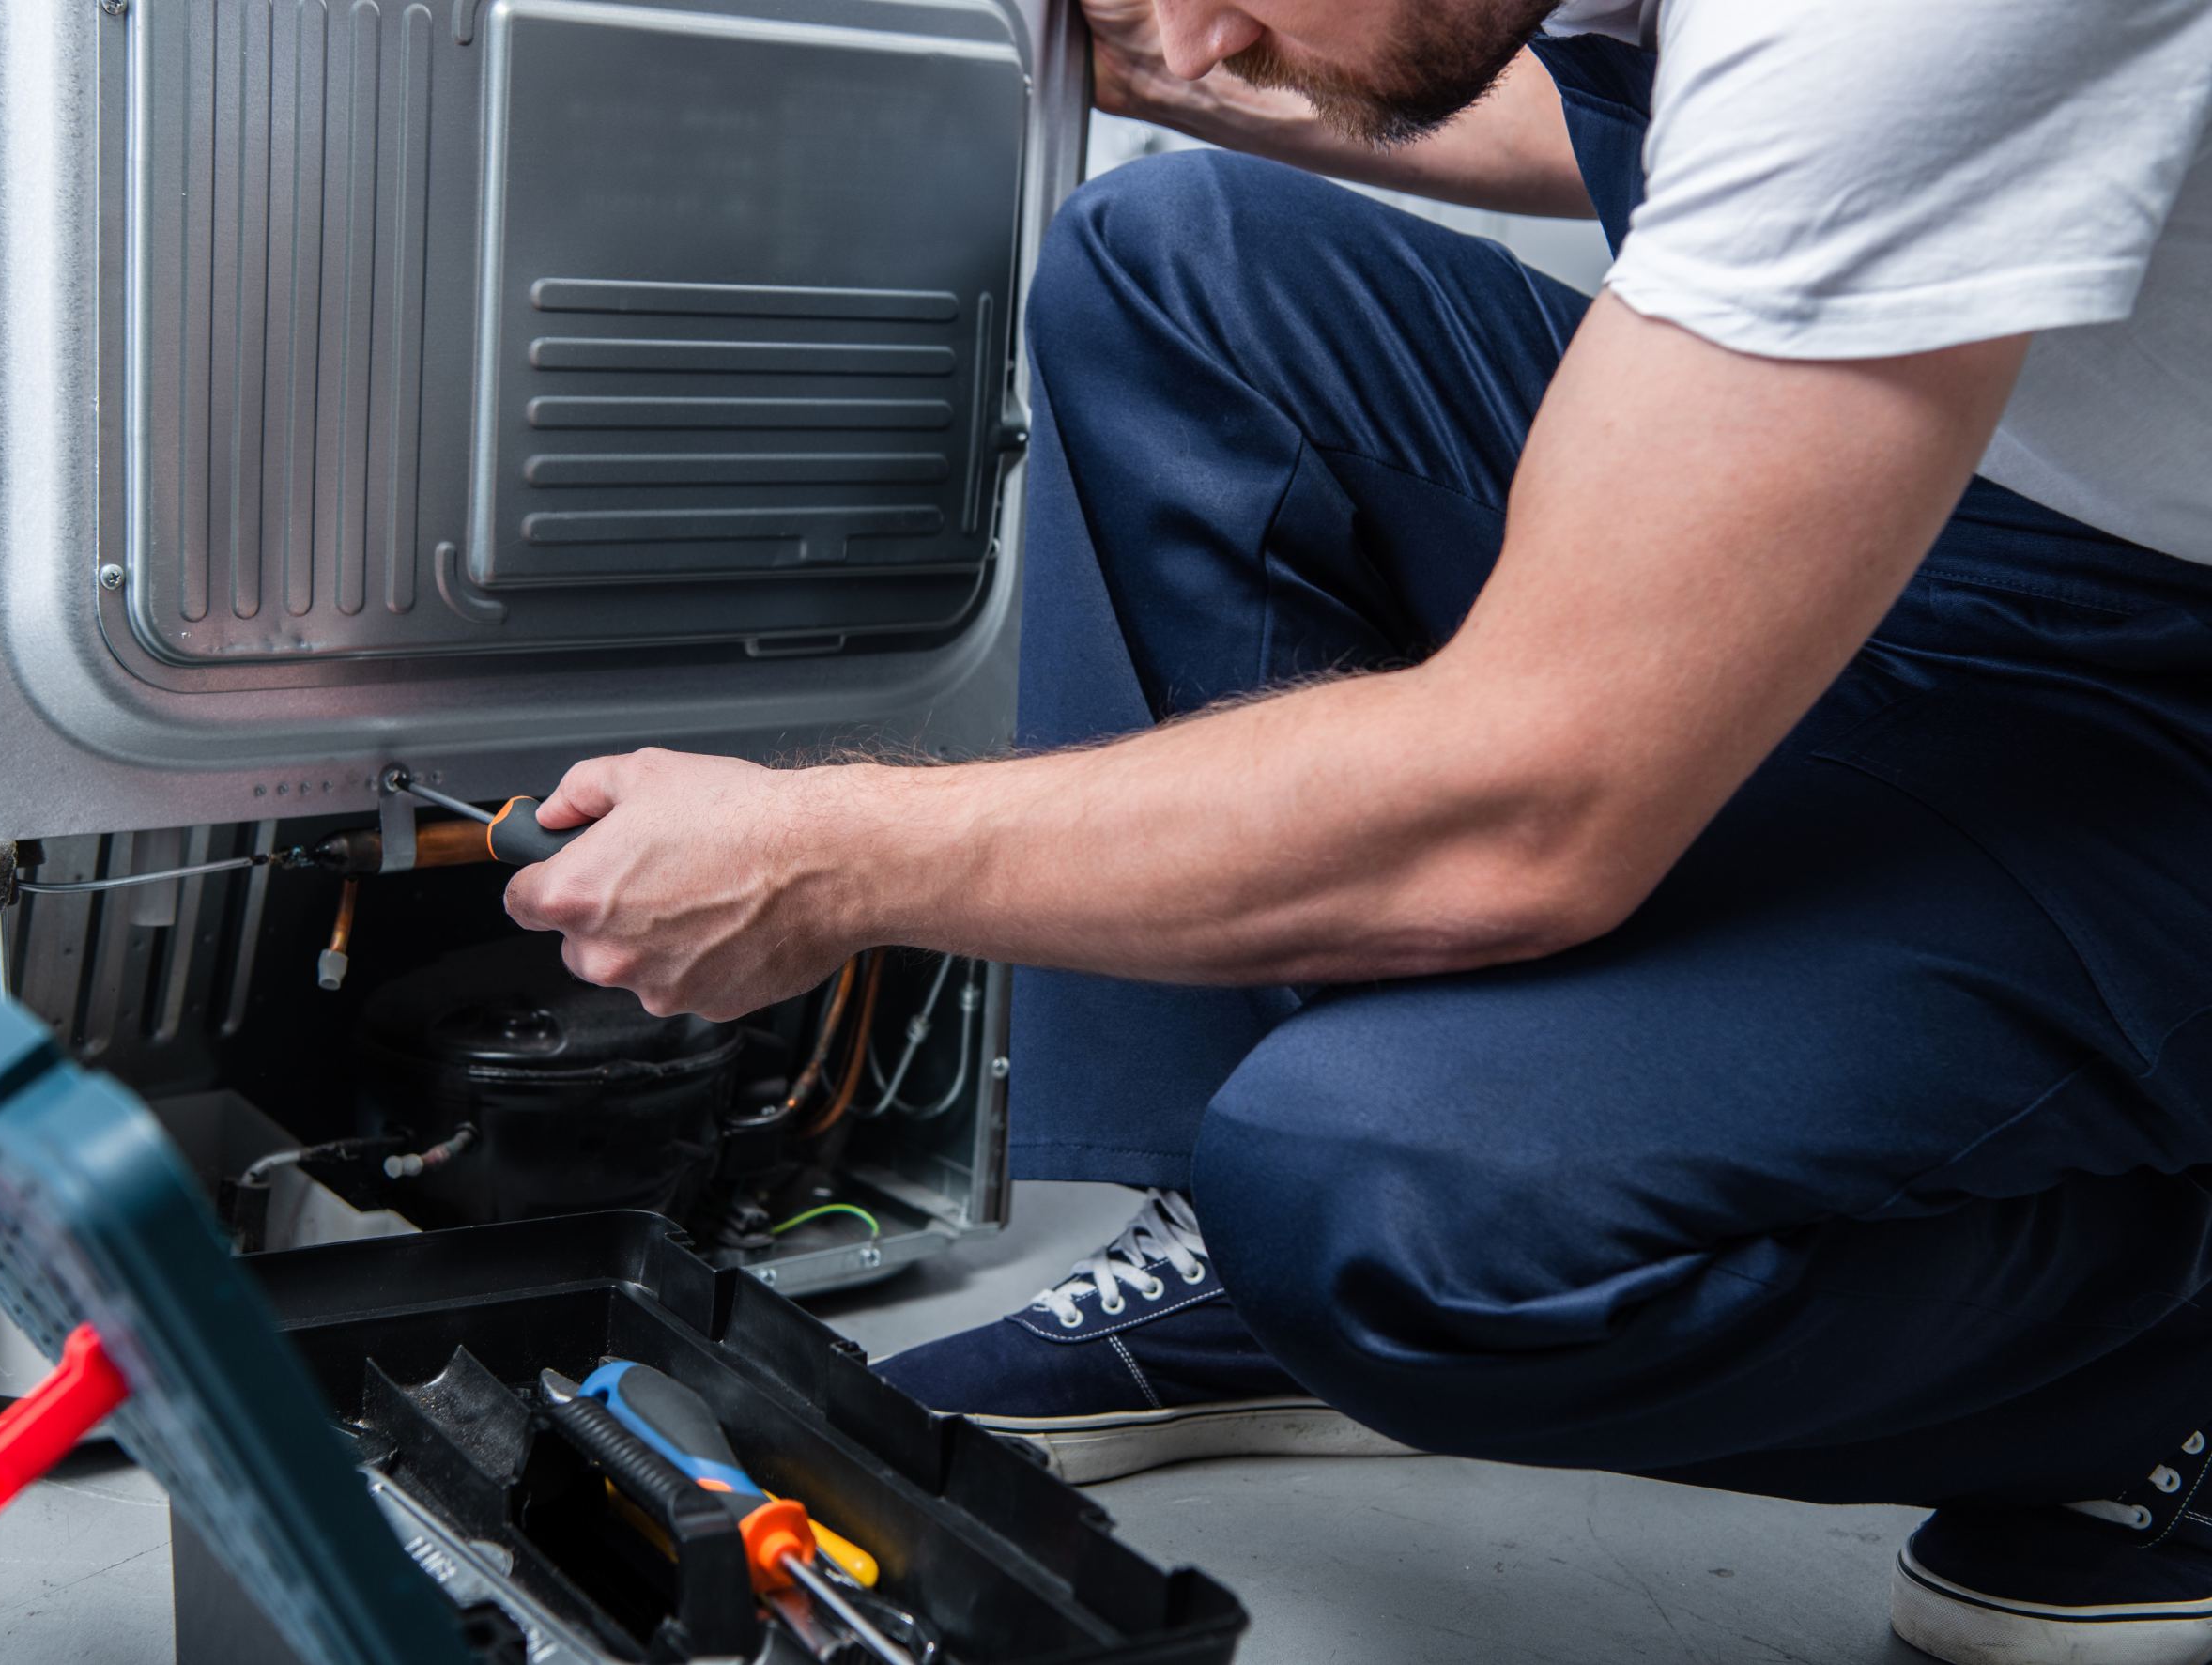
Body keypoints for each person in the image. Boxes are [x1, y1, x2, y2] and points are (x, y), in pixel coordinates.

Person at [505, 2, 2212, 1658]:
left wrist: (836, 854)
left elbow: (1534, 810)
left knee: (1391, 1214)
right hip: (1958, 522)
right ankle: (1231, 1272)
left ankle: (2166, 1364)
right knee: (1181, 265)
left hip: (2156, 703)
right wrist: (1231, 83)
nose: (1176, 42)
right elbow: (1682, 124)